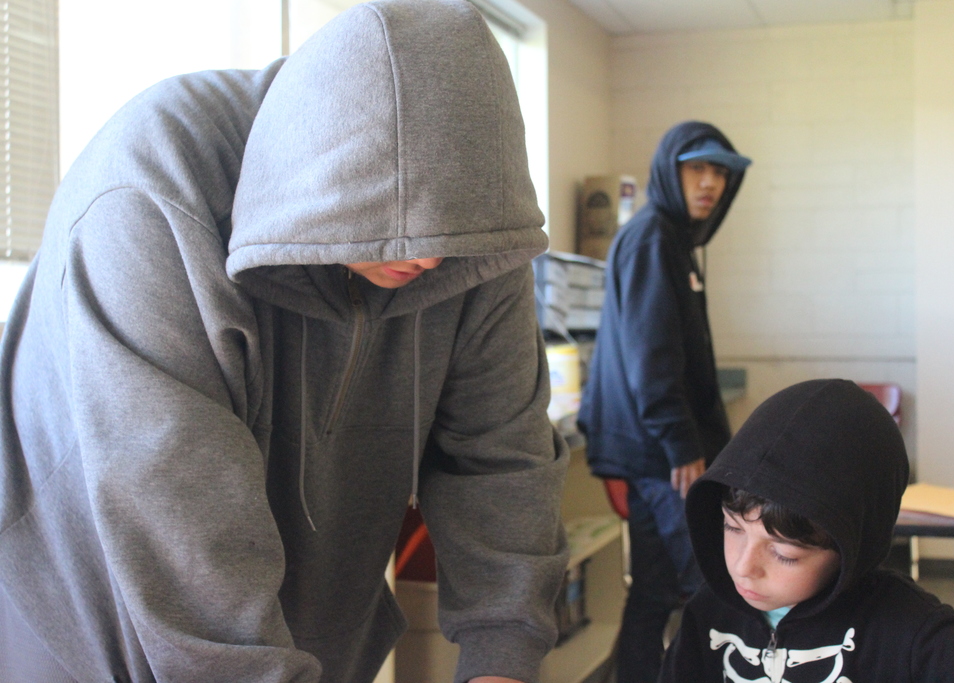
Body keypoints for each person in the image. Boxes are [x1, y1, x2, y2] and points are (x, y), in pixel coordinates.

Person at [0, 1, 570, 682]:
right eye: (393, 234)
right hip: (89, 637)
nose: (426, 262)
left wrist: (502, 655)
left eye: (446, 239)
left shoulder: (472, 232)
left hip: (317, 634)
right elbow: (184, 526)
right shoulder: (150, 195)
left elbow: (502, 459)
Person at [659, 379, 954, 683]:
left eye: (784, 554)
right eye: (731, 527)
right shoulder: (708, 612)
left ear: (851, 550)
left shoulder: (907, 625)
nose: (742, 567)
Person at [576, 120, 751, 682]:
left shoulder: (672, 240)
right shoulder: (654, 237)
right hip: (660, 452)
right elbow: (652, 359)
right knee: (712, 586)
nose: (710, 183)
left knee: (654, 589)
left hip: (653, 449)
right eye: (696, 168)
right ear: (669, 173)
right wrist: (682, 444)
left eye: (720, 172)